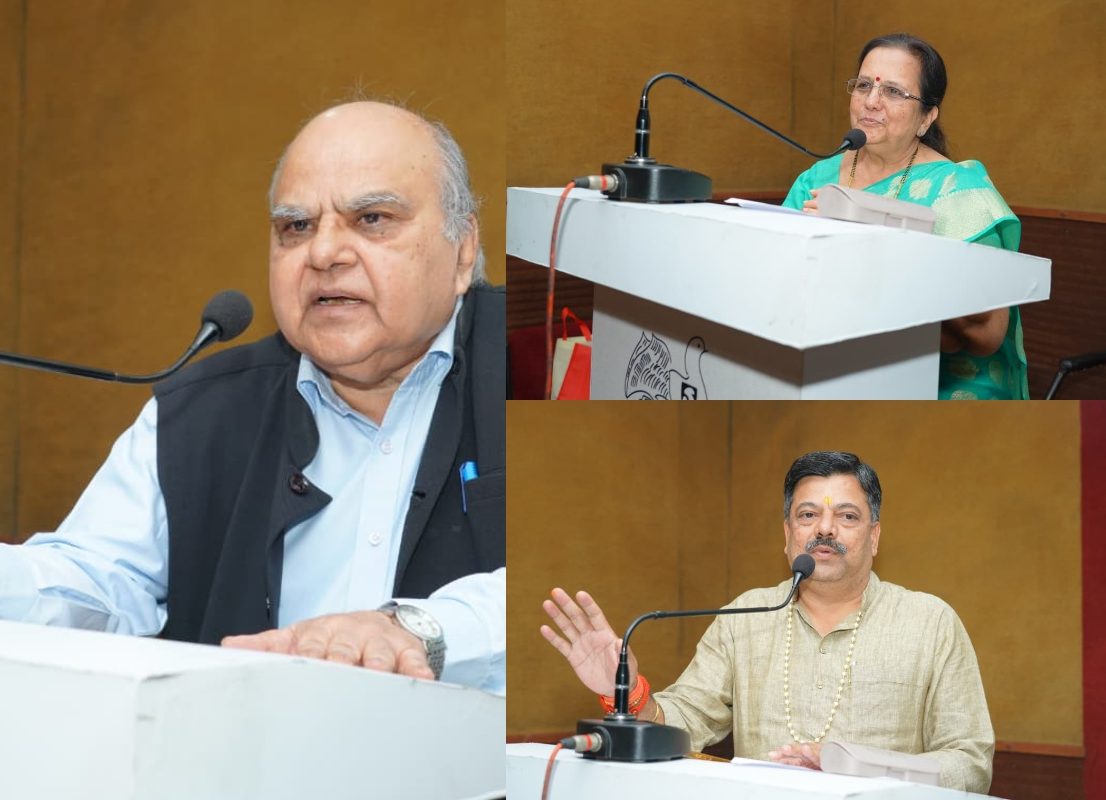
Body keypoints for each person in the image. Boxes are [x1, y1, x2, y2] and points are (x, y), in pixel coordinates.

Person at [0, 101, 505, 694]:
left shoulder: (536, 366)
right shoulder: (199, 413)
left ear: (463, 248)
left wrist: (420, 631)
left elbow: (570, 587)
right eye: (296, 227)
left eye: (371, 219)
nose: (324, 253)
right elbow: (96, 581)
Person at [541, 451, 993, 792]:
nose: (825, 529)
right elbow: (682, 725)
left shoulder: (930, 623)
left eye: (847, 516)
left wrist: (862, 768)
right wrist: (625, 691)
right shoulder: (744, 617)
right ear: (787, 535)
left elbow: (970, 764)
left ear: (874, 537)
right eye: (808, 515)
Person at [782, 34, 1026, 400]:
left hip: (944, 383)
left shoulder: (959, 192)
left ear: (927, 117)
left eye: (894, 92)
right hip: (834, 363)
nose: (871, 101)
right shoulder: (816, 179)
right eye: (863, 85)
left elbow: (986, 334)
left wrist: (878, 240)